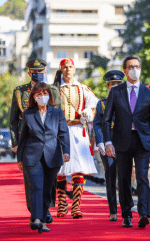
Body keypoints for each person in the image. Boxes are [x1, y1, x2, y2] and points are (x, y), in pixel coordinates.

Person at [102, 54, 150, 229]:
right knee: (124, 178)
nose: (135, 69)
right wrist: (108, 142)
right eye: (131, 66)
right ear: (125, 71)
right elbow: (106, 119)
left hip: (143, 141)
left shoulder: (148, 93)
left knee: (142, 177)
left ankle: (144, 213)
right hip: (121, 140)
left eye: (137, 66)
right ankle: (126, 214)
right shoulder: (116, 91)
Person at [10, 58, 61, 224]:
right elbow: (13, 120)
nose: (38, 74)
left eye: (40, 71)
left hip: (49, 143)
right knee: (32, 181)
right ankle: (35, 211)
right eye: (34, 71)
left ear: (45, 72)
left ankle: (45, 208)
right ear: (29, 73)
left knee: (49, 181)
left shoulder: (52, 90)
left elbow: (57, 117)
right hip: (29, 143)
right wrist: (16, 143)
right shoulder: (20, 92)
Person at [17, 82, 70, 233]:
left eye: (45, 93)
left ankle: (43, 218)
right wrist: (20, 158)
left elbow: (64, 133)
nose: (42, 97)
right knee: (36, 186)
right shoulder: (28, 114)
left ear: (49, 95)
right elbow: (23, 138)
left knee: (47, 189)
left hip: (52, 156)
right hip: (31, 156)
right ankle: (37, 219)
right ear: (34, 97)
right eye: (38, 94)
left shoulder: (57, 113)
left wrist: (66, 151)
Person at [56, 58, 99, 219]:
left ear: (74, 69)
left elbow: (93, 105)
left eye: (70, 67)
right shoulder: (55, 88)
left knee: (78, 168)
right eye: (65, 67)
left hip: (77, 130)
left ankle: (76, 205)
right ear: (61, 69)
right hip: (59, 131)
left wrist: (87, 112)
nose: (68, 69)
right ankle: (61, 203)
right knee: (59, 169)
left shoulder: (82, 88)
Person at [93, 70, 124, 221]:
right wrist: (101, 143)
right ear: (107, 86)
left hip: (124, 143)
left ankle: (126, 209)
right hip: (108, 143)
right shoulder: (102, 104)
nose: (115, 87)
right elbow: (97, 124)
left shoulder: (128, 102)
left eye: (118, 84)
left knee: (124, 177)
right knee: (111, 177)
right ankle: (113, 210)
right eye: (113, 84)